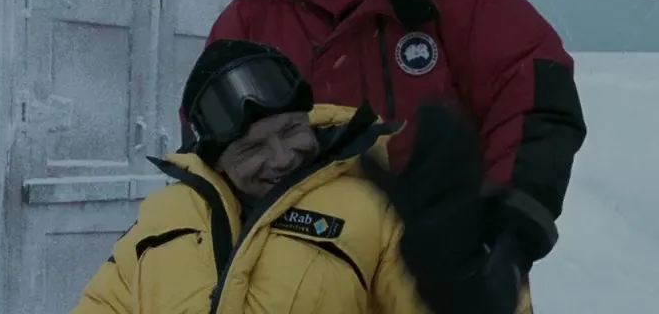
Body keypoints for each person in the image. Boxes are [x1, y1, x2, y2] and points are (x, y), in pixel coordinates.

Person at [202, 0, 588, 312]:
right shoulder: (254, 18)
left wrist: (506, 233)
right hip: (306, 285)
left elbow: (534, 89)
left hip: (453, 276)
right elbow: (213, 148)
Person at [72, 39, 438, 314]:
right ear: (216, 161)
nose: (283, 157)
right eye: (252, 149)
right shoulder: (164, 217)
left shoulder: (374, 211)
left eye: (291, 130)